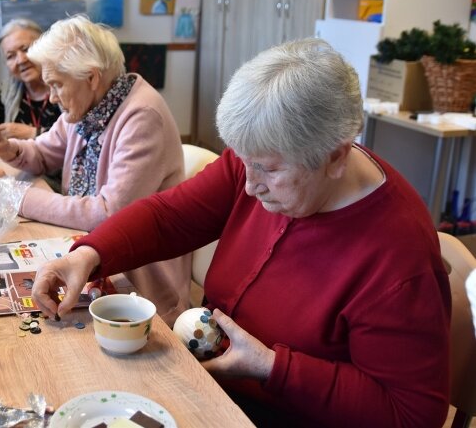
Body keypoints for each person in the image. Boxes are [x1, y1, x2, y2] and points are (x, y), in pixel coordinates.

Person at [31, 38, 451, 427]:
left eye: (268, 169)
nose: (249, 186)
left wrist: (271, 367)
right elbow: (169, 217)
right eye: (242, 162)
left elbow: (411, 414)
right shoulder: (270, 157)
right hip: (214, 387)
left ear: (336, 156)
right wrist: (88, 254)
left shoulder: (397, 257)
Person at [0, 14, 191, 324]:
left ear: (91, 77)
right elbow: (43, 153)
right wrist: (6, 147)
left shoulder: (142, 115)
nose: (53, 97)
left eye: (56, 85)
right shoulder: (92, 105)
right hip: (93, 252)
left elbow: (108, 214)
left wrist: (17, 195)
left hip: (141, 281)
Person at [0, 19, 61, 140]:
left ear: (45, 47)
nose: (21, 60)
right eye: (10, 56)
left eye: (26, 49)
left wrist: (34, 133)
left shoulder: (67, 88)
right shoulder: (5, 96)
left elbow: (80, 135)